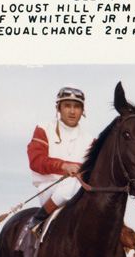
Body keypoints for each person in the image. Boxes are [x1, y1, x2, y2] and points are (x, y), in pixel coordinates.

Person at [25, 86, 94, 234]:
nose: (72, 111)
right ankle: (38, 219)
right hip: (49, 188)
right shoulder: (44, 128)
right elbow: (36, 161)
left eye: (76, 107)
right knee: (72, 182)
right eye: (67, 106)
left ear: (82, 111)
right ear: (58, 107)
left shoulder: (90, 140)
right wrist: (63, 166)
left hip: (81, 193)